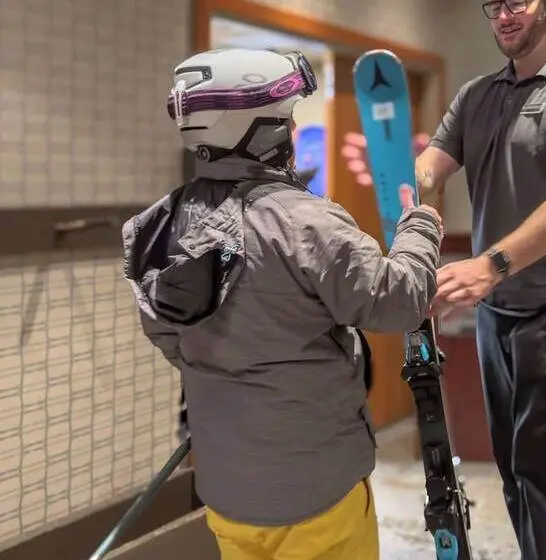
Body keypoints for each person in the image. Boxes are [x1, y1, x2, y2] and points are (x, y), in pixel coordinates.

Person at [121, 48, 443, 560]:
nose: (293, 132)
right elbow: (401, 301)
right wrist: (419, 226)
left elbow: (170, 340)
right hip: (316, 493)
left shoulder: (154, 230)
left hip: (227, 493)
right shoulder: (307, 225)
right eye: (286, 120)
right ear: (263, 131)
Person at [342, 1, 546, 558]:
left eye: (517, 2)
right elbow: (434, 162)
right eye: (493, 5)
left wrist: (490, 264)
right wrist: (420, 180)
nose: (503, 15)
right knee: (512, 465)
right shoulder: (478, 95)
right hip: (500, 309)